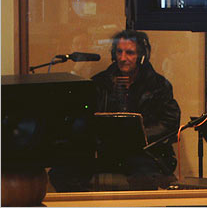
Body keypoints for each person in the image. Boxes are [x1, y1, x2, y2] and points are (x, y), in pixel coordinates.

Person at [49, 29, 181, 191]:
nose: (123, 58)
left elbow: (170, 122)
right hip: (105, 151)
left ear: (142, 56)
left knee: (145, 178)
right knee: (61, 173)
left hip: (144, 153)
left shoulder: (158, 85)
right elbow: (83, 118)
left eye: (130, 53)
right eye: (119, 52)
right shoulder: (100, 82)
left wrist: (140, 136)